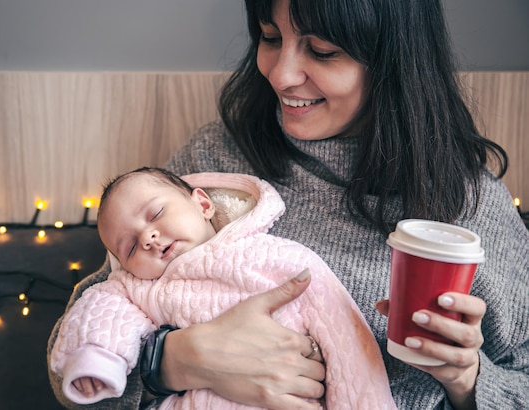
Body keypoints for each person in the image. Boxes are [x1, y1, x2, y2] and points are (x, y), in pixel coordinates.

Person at [48, 0, 529, 409]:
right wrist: (174, 361)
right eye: (270, 37)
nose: (281, 74)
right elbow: (81, 343)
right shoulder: (218, 162)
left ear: (393, 60)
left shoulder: (468, 204)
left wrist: (469, 381)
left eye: (322, 51)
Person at [49, 167, 395, 409]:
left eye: (155, 215)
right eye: (130, 247)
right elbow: (99, 316)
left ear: (202, 204)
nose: (148, 237)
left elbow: (346, 344)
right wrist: (98, 362)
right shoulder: (135, 288)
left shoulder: (276, 256)